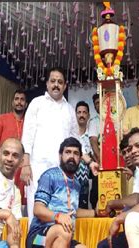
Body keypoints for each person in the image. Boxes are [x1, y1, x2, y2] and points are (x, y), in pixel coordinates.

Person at [21, 67, 77, 224]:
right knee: (37, 209)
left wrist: (89, 160)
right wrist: (25, 164)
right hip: (38, 168)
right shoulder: (36, 104)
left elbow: (75, 141)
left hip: (62, 170)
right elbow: (27, 136)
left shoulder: (69, 109)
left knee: (59, 211)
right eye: (53, 81)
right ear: (47, 84)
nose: (56, 85)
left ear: (65, 86)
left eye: (60, 82)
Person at [26, 137, 94, 248]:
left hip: (63, 238)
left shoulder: (77, 183)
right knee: (62, 231)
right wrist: (58, 217)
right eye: (68, 152)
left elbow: (73, 211)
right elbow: (37, 209)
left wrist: (95, 212)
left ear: (80, 158)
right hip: (38, 239)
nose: (72, 156)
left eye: (76, 153)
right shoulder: (49, 176)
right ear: (60, 155)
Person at [0, 138, 23, 247]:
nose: (9, 159)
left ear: (22, 162)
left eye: (15, 155)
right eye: (6, 154)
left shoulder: (16, 192)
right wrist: (6, 214)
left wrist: (14, 246)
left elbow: (14, 230)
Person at [73, 101, 96, 209]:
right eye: (79, 112)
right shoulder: (70, 133)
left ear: (88, 115)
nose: (81, 115)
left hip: (86, 177)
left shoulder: (92, 136)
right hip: (70, 176)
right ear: (75, 114)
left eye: (84, 112)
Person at [88, 93, 101, 209]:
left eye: (101, 101)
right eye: (96, 103)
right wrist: (102, 162)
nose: (99, 105)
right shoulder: (94, 121)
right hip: (100, 164)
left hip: (116, 162)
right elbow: (93, 142)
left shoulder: (117, 118)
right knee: (96, 195)